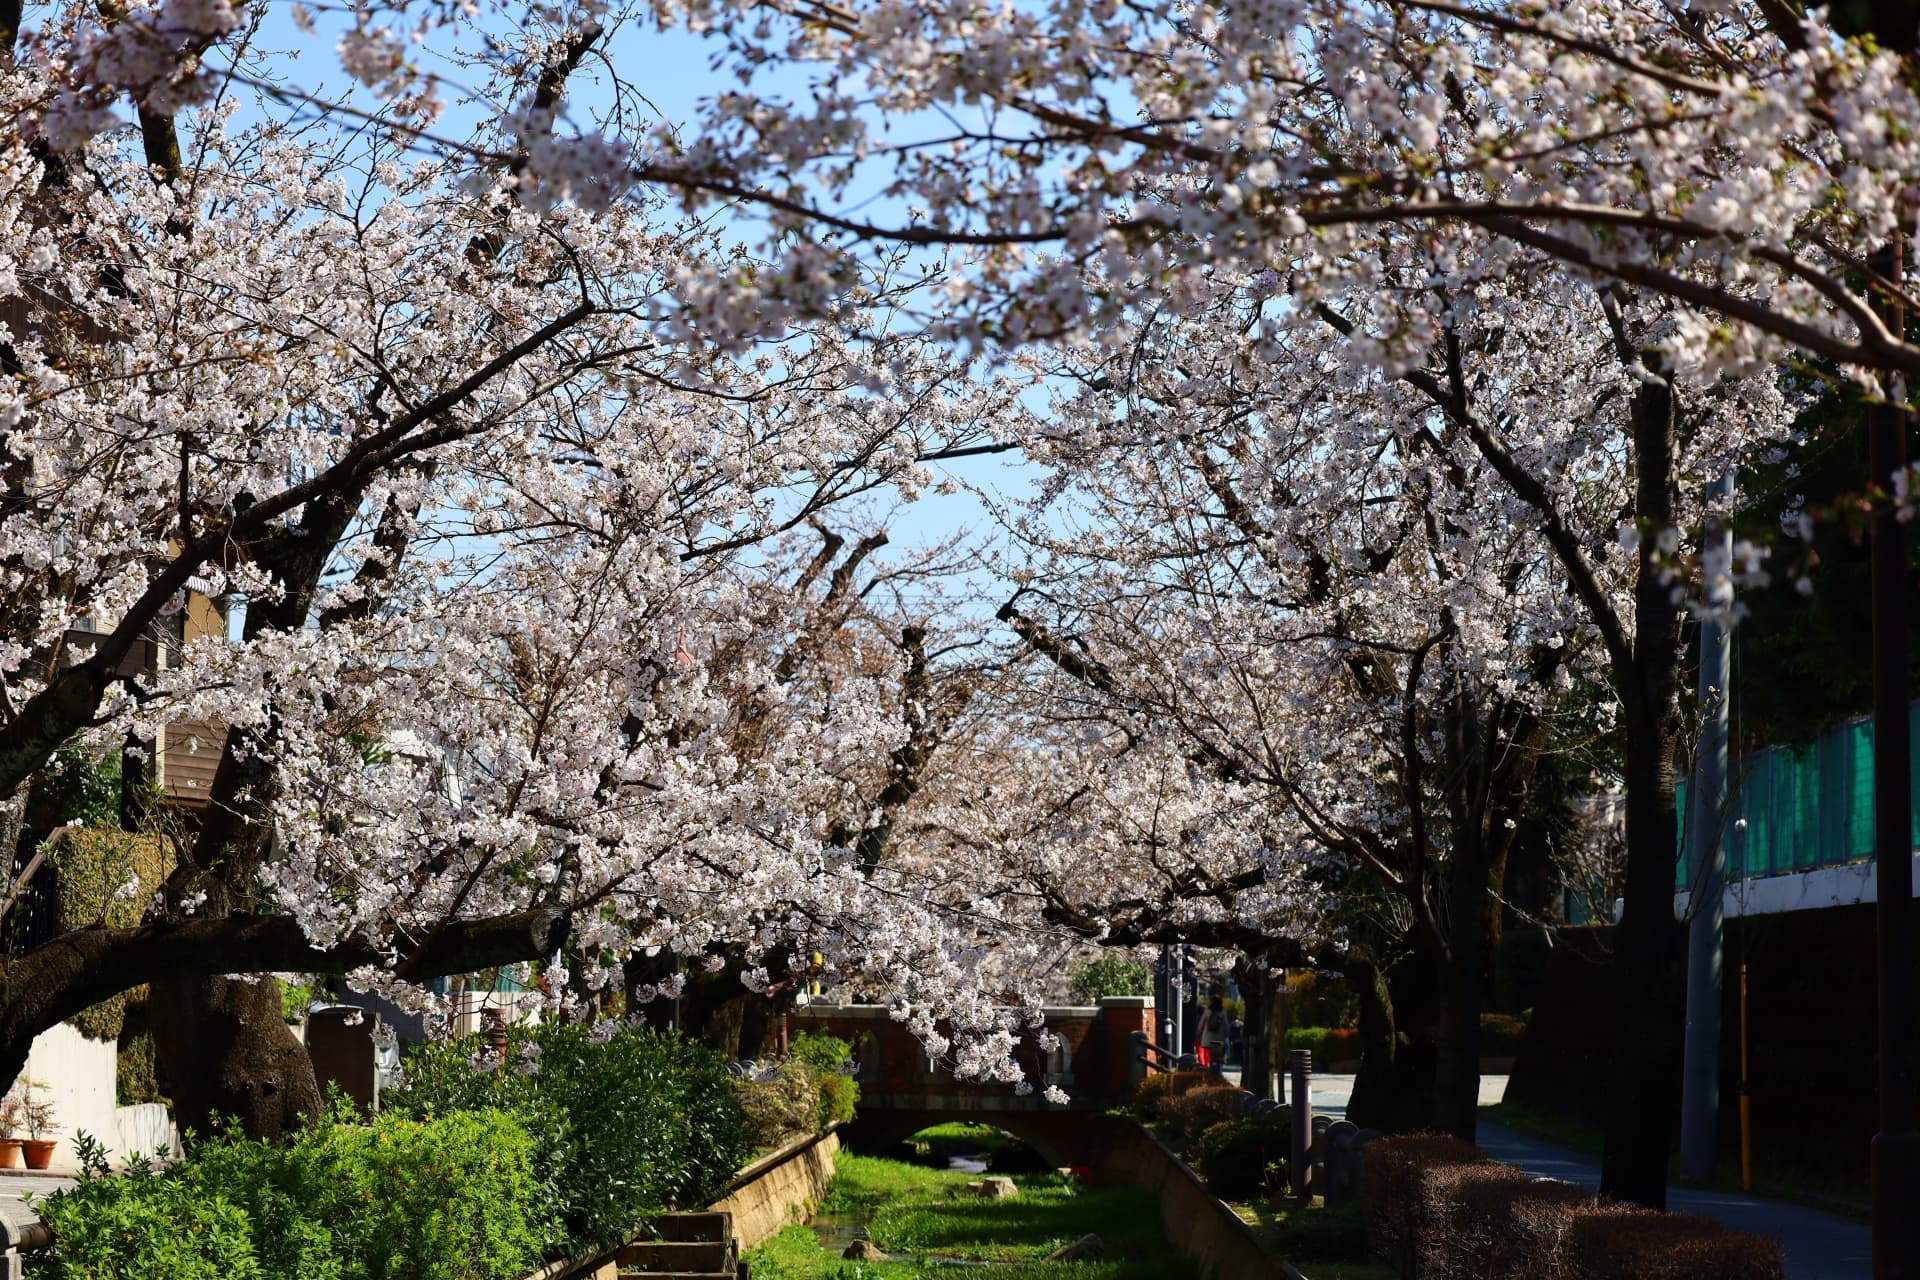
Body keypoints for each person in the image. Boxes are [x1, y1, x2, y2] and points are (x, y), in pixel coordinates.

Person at [1200, 995, 1230, 1074]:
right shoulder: (1222, 1012)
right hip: (1219, 1039)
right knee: (1218, 1057)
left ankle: (1212, 1070)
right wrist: (1227, 1034)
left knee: (1211, 1057)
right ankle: (1217, 1072)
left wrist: (1199, 1034)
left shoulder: (1207, 1011)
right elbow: (1226, 1025)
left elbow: (1201, 1024)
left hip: (1208, 1039)